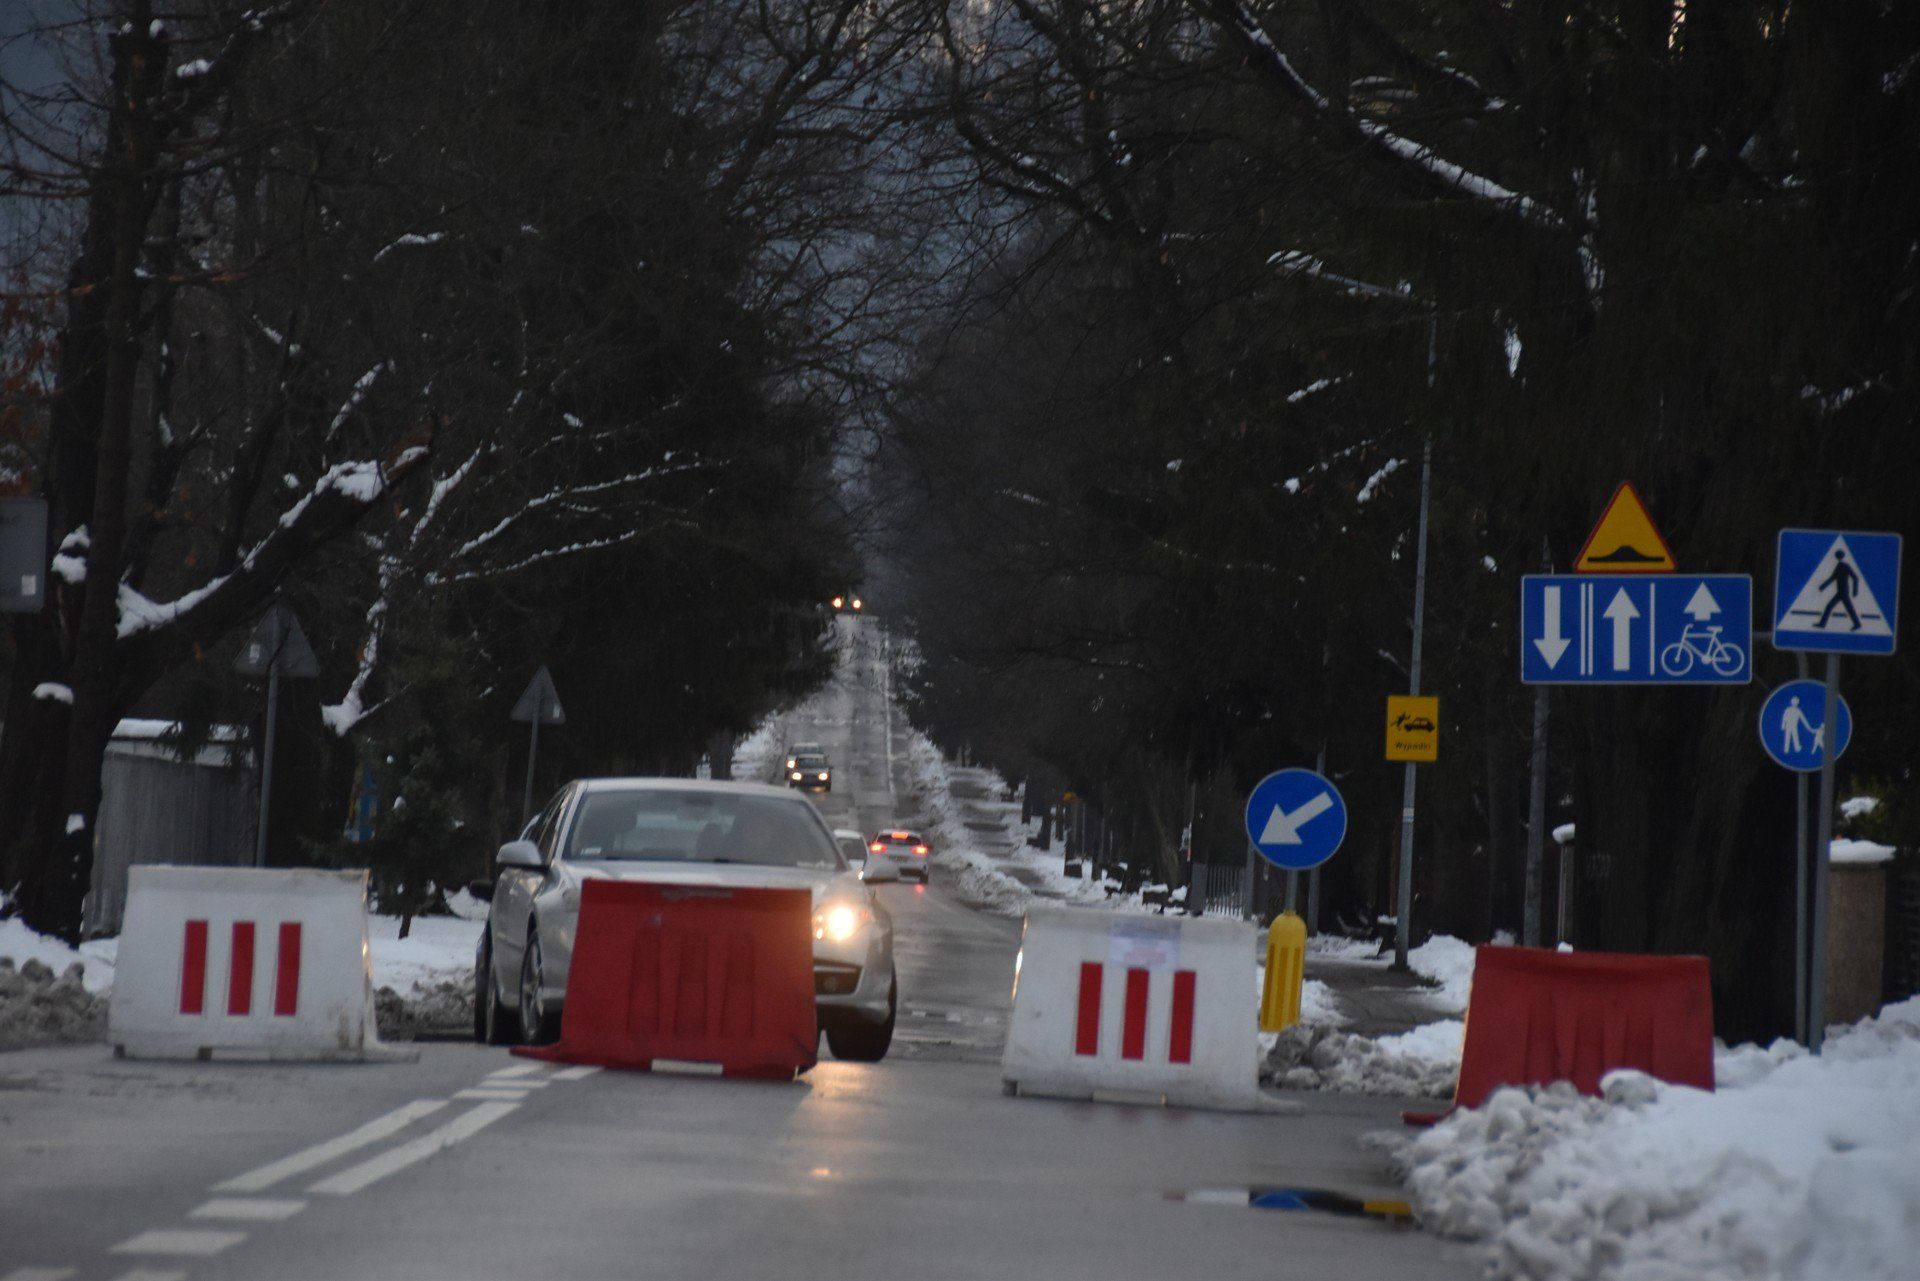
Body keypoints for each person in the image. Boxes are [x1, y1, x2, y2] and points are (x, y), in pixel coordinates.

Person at [1816, 550, 1864, 631]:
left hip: (1844, 592)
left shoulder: (1845, 566)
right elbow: (1833, 578)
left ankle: (1857, 624)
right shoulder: (1839, 566)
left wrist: (1855, 591)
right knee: (1830, 606)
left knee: (1848, 608)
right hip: (1840, 592)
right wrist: (1822, 587)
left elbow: (1855, 578)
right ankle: (1822, 624)